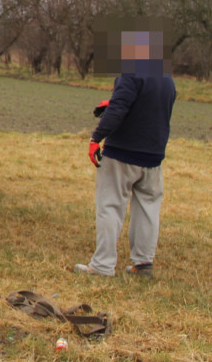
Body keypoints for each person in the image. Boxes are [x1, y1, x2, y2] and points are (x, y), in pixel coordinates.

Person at [74, 23, 176, 278]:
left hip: (122, 154)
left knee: (110, 207)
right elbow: (150, 108)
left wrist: (96, 137)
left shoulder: (130, 73)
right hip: (154, 157)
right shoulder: (167, 78)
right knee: (148, 210)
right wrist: (115, 103)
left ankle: (102, 266)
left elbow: (120, 110)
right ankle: (142, 265)